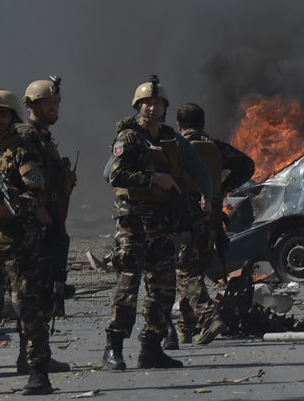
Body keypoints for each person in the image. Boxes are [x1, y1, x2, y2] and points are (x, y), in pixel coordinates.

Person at [102, 76, 212, 371]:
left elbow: (184, 176)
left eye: (157, 103)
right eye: (146, 103)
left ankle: (151, 347)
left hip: (162, 224)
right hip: (133, 222)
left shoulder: (169, 139)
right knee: (128, 285)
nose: (152, 108)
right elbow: (115, 175)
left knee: (163, 289)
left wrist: (181, 217)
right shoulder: (129, 137)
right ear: (138, 106)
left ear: (165, 108)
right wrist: (153, 179)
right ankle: (114, 346)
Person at [0, 90, 52, 395]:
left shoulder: (22, 152)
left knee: (29, 312)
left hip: (19, 248)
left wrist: (9, 207)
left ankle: (38, 373)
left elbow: (37, 194)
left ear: (13, 117)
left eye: (3, 114)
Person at [173, 103, 255, 345]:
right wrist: (223, 188)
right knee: (194, 270)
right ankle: (185, 329)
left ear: (179, 125)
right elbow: (248, 166)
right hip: (211, 217)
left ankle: (209, 317)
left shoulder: (176, 146)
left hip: (186, 217)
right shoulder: (216, 148)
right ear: (203, 124)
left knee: (185, 271)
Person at [15, 76, 76, 375]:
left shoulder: (43, 139)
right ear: (31, 106)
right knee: (34, 293)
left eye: (56, 102)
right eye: (47, 103)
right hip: (35, 226)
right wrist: (44, 218)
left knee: (44, 290)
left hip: (50, 223)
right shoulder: (26, 137)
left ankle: (33, 355)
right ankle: (32, 358)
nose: (54, 107)